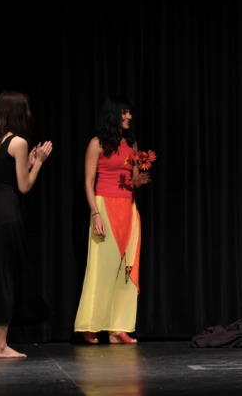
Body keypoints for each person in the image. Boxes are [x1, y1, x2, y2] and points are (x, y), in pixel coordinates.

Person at [74, 96, 151, 345]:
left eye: (130, 113)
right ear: (113, 115)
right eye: (124, 113)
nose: (129, 117)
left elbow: (134, 180)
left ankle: (118, 327)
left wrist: (140, 179)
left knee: (126, 271)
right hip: (105, 207)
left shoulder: (133, 145)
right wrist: (95, 214)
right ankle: (91, 324)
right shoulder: (97, 144)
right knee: (102, 270)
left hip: (128, 208)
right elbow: (87, 183)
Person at [0, 91, 54, 358]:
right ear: (19, 112)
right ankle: (0, 346)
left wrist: (26, 163)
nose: (30, 113)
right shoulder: (18, 142)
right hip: (6, 213)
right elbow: (24, 185)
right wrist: (39, 162)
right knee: (5, 276)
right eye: (27, 109)